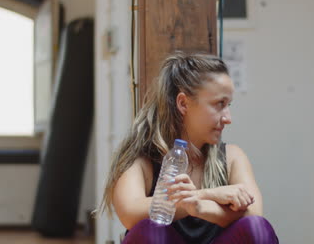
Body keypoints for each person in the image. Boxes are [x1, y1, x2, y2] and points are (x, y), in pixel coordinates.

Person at [100, 52, 279, 244]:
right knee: (150, 231)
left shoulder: (233, 156)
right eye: (219, 104)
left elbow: (253, 214)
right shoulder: (142, 159)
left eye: (228, 105)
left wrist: (199, 205)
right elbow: (130, 213)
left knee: (256, 229)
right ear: (183, 103)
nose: (228, 118)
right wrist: (205, 197)